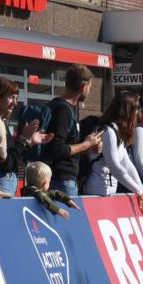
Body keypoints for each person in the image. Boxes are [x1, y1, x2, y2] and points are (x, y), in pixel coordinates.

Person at [43, 64, 103, 196]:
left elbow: (66, 145)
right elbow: (57, 148)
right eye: (90, 87)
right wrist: (86, 144)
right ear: (84, 87)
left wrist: (88, 149)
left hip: (60, 179)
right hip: (60, 181)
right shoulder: (63, 110)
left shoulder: (67, 107)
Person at [82, 91, 143, 197]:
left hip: (108, 192)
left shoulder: (117, 130)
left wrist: (141, 190)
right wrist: (138, 191)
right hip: (97, 191)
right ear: (128, 109)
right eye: (137, 108)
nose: (138, 112)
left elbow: (127, 164)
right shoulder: (108, 131)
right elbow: (115, 167)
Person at [0, 77, 52, 196]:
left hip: (8, 181)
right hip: (3, 181)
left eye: (16, 98)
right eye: (10, 97)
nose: (15, 103)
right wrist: (24, 139)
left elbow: (13, 156)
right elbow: (7, 162)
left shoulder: (2, 122)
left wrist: (29, 142)